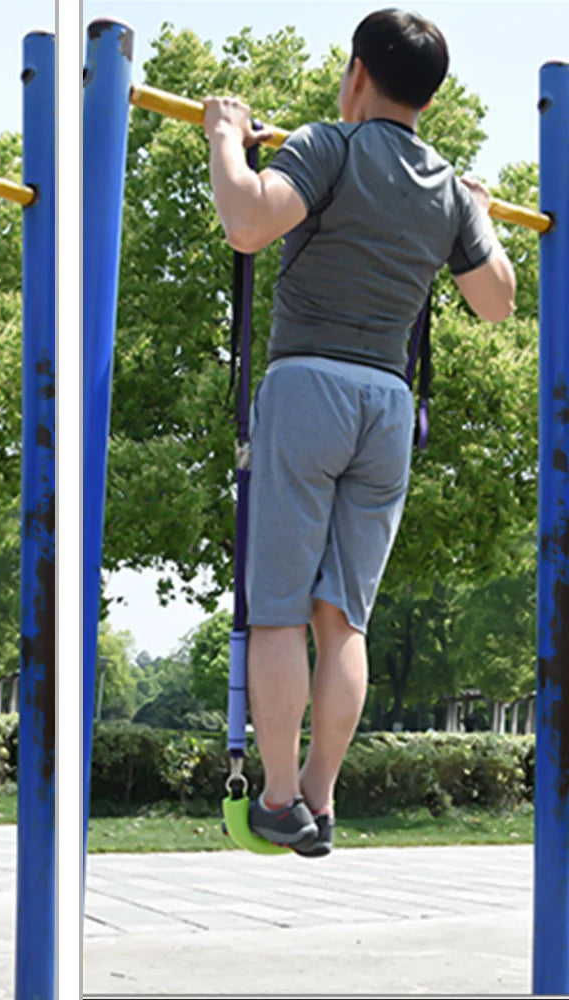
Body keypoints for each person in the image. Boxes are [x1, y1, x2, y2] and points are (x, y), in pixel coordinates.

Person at [201, 9, 515, 857]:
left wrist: (225, 139)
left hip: (308, 385)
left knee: (277, 610)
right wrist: (476, 215)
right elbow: (496, 300)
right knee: (342, 617)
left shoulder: (328, 146)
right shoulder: (448, 189)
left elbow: (248, 223)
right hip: (387, 404)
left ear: (356, 74)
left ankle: (275, 799)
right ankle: (321, 799)